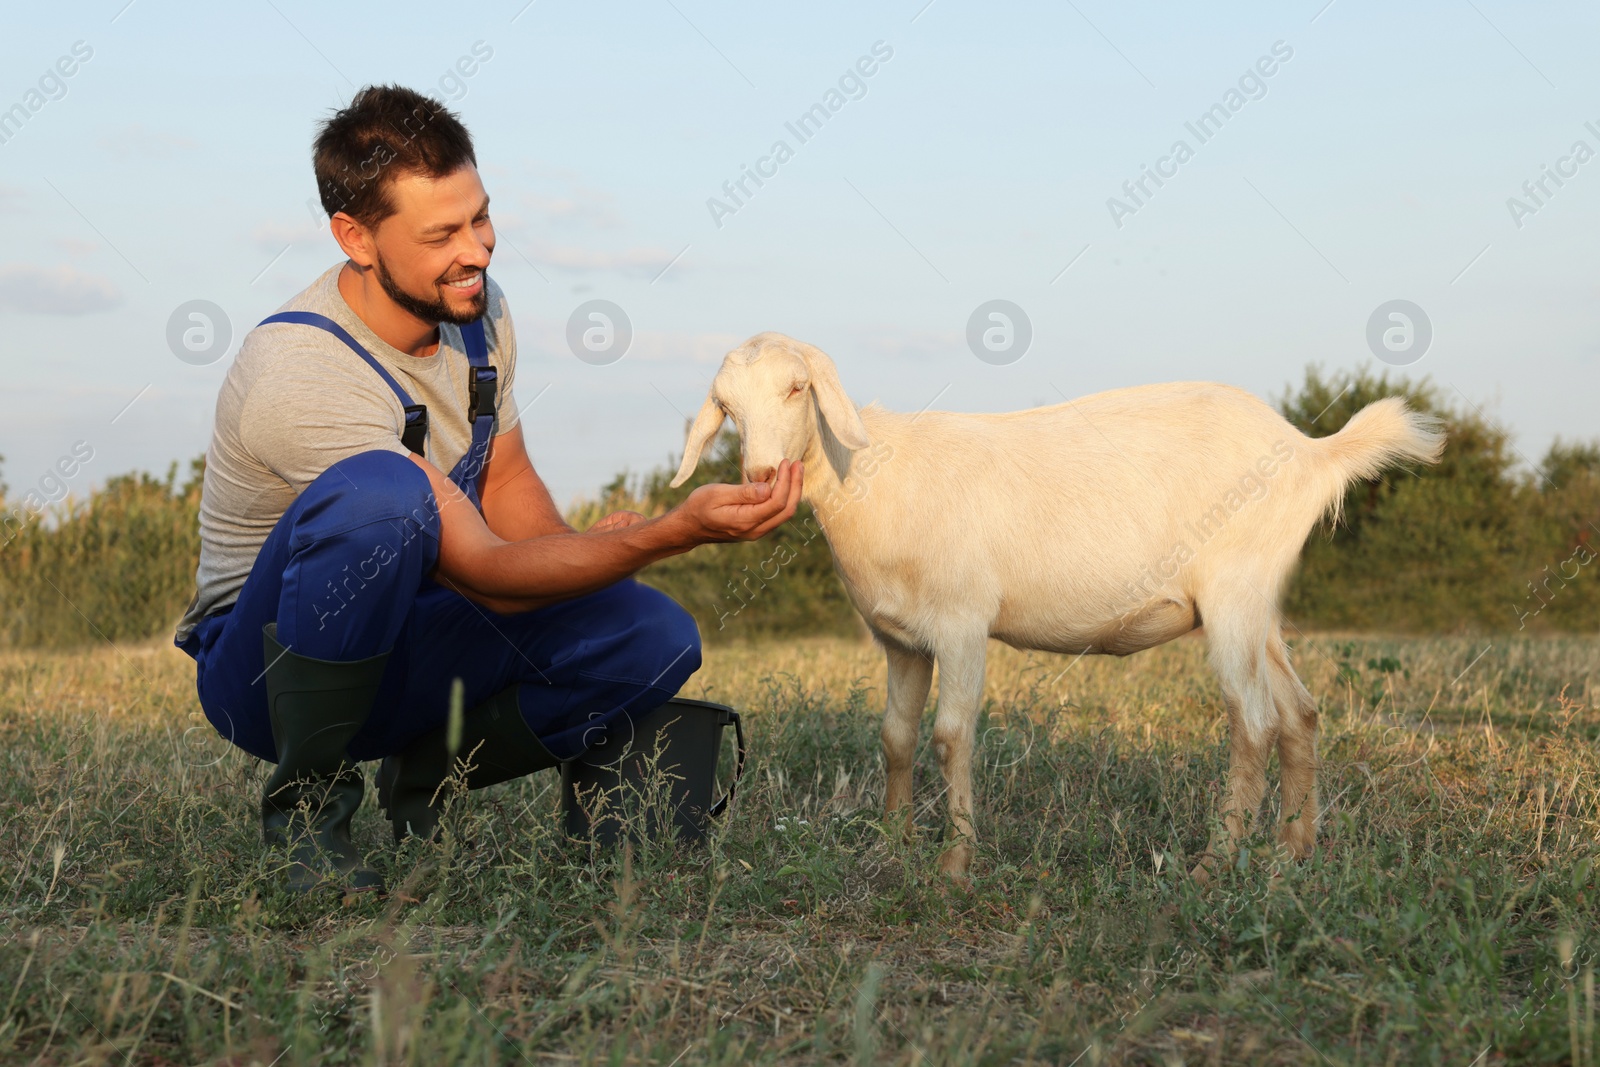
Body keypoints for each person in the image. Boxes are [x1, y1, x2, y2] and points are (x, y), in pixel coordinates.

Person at [173, 85, 802, 893]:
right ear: (354, 237)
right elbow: (488, 576)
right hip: (264, 671)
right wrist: (667, 533)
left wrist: (590, 550)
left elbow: (505, 480)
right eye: (442, 233)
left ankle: (423, 772)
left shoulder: (477, 312)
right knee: (381, 495)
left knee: (654, 633)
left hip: (412, 630)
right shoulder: (300, 372)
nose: (478, 249)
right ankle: (306, 814)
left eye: (480, 216)